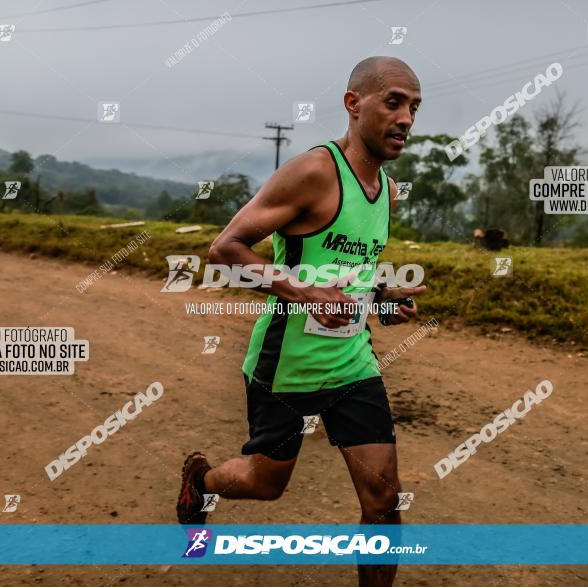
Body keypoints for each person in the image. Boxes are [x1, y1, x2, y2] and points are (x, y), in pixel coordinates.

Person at [177, 56, 425, 587]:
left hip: (352, 365)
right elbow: (225, 249)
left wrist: (383, 299)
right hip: (285, 365)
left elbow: (348, 272)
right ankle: (202, 482)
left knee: (383, 498)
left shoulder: (387, 190)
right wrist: (304, 291)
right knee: (266, 483)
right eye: (394, 102)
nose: (406, 118)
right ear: (354, 104)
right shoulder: (315, 171)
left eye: (414, 107)